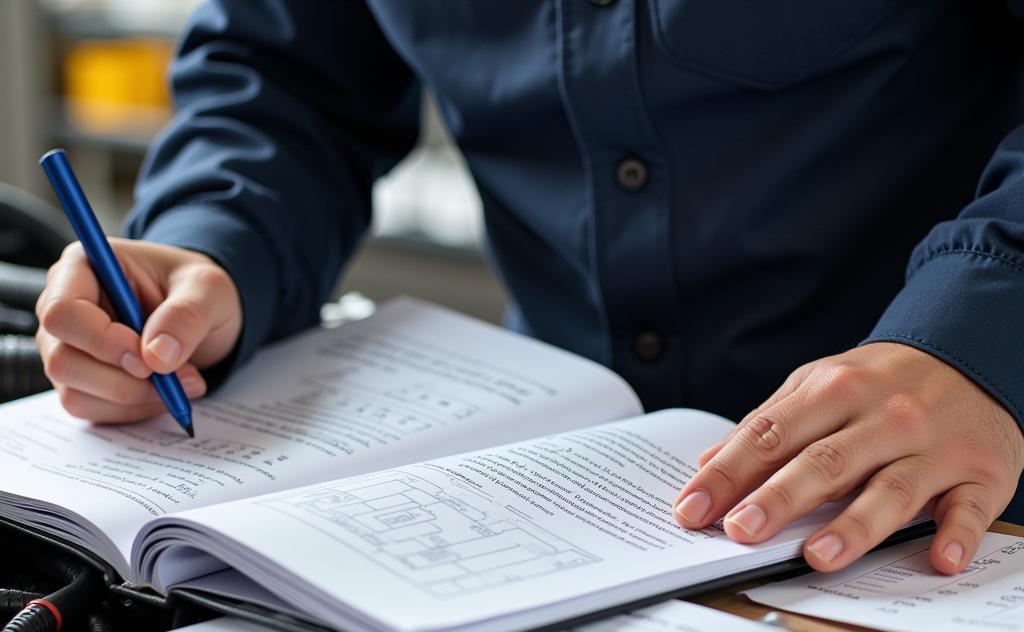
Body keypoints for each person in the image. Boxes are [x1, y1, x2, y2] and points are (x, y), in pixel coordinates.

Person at [35, 2, 1024, 576]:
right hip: (564, 499)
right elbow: (286, 69)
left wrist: (977, 328)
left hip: (962, 489)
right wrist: (210, 246)